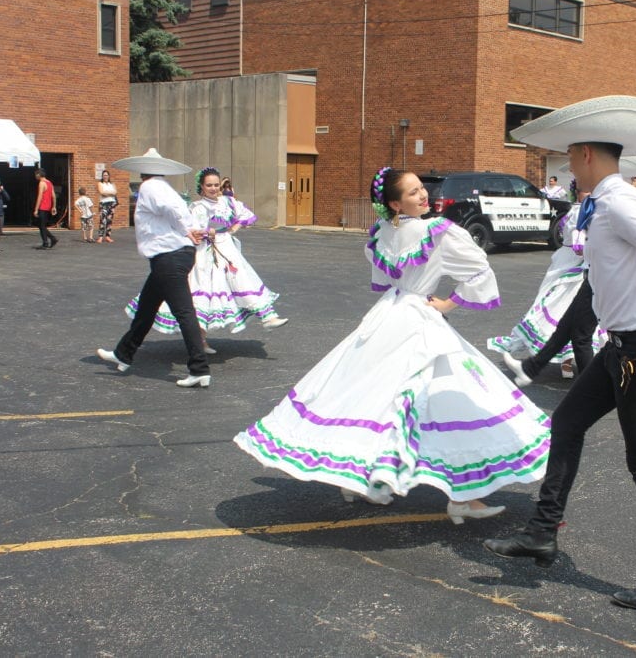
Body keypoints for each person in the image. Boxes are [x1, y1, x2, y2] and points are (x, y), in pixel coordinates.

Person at [233, 166, 551, 523]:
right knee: (455, 398)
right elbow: (478, 269)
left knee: (370, 395)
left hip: (389, 315)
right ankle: (460, 495)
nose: (423, 194)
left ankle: (367, 480)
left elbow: (386, 278)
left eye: (421, 188)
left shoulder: (382, 232)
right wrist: (447, 304)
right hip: (417, 319)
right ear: (396, 204)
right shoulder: (436, 230)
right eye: (413, 192)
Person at [483, 95, 636, 611]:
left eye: (568, 158)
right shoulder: (603, 202)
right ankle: (542, 532)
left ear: (584, 154)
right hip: (622, 347)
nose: (567, 167)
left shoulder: (619, 201)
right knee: (567, 422)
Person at [125, 167, 288, 346]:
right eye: (209, 185)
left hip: (227, 248)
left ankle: (268, 316)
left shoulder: (228, 201)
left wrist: (231, 229)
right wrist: (207, 233)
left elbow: (244, 215)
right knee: (203, 293)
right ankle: (201, 340)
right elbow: (193, 229)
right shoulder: (198, 207)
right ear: (201, 187)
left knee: (242, 279)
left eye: (216, 185)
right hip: (205, 252)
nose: (213, 188)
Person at [95, 148, 211, 388]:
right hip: (171, 256)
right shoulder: (163, 187)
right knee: (147, 308)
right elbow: (176, 211)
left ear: (144, 171)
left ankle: (199, 369)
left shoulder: (151, 187)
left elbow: (173, 210)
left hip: (169, 256)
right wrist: (189, 229)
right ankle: (123, 353)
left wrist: (187, 229)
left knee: (184, 312)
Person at [493, 184, 598, 383]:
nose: (587, 192)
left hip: (587, 270)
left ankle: (590, 383)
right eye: (583, 189)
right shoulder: (583, 209)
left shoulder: (593, 208)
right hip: (579, 267)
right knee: (567, 325)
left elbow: (581, 245)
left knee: (577, 330)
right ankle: (533, 367)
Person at [33, 168, 58, 249]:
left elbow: (40, 196)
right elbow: (53, 196)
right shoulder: (49, 183)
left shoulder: (42, 183)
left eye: (35, 174)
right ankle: (50, 240)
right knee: (41, 225)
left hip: (42, 207)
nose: (35, 176)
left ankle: (46, 242)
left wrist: (36, 209)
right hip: (48, 207)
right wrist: (54, 206)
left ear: (38, 175)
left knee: (42, 226)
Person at [96, 169, 119, 243]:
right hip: (103, 203)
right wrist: (111, 193)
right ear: (102, 176)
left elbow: (115, 192)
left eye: (106, 175)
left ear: (109, 176)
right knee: (102, 220)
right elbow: (102, 192)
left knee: (109, 221)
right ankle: (100, 237)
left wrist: (107, 193)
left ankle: (107, 237)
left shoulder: (112, 184)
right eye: (104, 175)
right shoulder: (100, 183)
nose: (105, 176)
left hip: (112, 203)